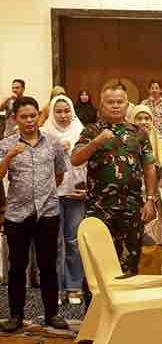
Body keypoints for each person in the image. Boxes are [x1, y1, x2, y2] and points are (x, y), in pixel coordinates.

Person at [71, 85, 157, 277]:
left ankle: (127, 297)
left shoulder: (139, 133)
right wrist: (96, 142)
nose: (116, 106)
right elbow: (75, 159)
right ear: (102, 105)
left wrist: (151, 199)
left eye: (120, 102)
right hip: (99, 208)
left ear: (127, 105)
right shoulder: (91, 130)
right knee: (98, 264)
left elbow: (149, 166)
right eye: (111, 102)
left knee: (130, 263)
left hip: (131, 207)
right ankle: (96, 298)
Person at [0, 96, 68, 332]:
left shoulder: (53, 142)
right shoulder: (6, 144)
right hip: (17, 214)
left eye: (33, 116)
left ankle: (52, 314)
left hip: (48, 212)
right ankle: (16, 315)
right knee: (17, 266)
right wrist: (10, 156)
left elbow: (59, 173)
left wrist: (45, 194)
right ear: (15, 118)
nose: (29, 120)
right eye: (24, 117)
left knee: (48, 265)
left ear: (39, 116)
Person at [41, 95, 87, 304]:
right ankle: (56, 288)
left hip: (76, 194)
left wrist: (86, 189)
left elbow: (89, 164)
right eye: (58, 111)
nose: (63, 115)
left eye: (66, 111)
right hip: (51, 196)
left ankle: (74, 287)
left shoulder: (81, 131)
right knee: (53, 243)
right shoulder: (43, 134)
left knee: (74, 242)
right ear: (52, 112)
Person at [133, 105, 162, 245]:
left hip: (153, 194)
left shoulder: (157, 139)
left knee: (155, 240)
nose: (144, 122)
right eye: (139, 118)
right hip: (135, 194)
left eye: (147, 118)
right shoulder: (129, 139)